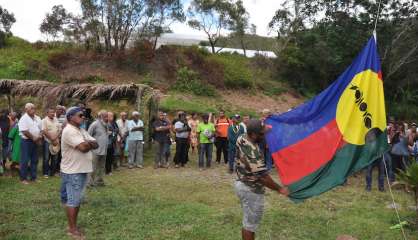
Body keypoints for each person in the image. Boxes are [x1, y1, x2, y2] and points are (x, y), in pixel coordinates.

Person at [234, 119, 289, 240]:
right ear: (253, 135)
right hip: (251, 190)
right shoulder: (253, 152)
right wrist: (280, 189)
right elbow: (263, 177)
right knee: (250, 225)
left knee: (249, 222)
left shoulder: (242, 137)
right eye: (262, 134)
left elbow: (263, 130)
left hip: (242, 183)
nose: (264, 135)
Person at [60, 106, 98, 239]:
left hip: (79, 169)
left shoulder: (80, 129)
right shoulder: (70, 131)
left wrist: (88, 142)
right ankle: (72, 229)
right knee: (73, 200)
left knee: (75, 200)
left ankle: (72, 226)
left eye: (83, 115)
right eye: (80, 115)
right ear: (71, 117)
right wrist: (88, 143)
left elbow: (95, 143)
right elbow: (83, 148)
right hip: (73, 171)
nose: (83, 117)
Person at [18, 103, 42, 184]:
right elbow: (24, 131)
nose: (33, 110)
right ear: (26, 109)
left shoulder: (37, 118)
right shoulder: (23, 118)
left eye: (34, 108)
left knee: (35, 160)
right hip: (26, 141)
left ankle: (33, 177)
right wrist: (34, 138)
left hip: (36, 141)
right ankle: (23, 178)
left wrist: (39, 137)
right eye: (31, 108)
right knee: (25, 160)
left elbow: (41, 129)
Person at [87, 110, 109, 187]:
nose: (107, 118)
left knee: (102, 167)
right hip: (95, 151)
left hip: (104, 150)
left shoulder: (106, 124)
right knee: (93, 167)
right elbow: (88, 136)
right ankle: (89, 183)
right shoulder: (94, 124)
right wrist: (91, 146)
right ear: (100, 117)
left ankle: (99, 181)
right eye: (105, 116)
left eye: (107, 116)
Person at [41, 108, 61, 178]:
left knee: (55, 158)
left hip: (56, 142)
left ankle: (52, 172)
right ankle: (45, 173)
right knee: (46, 158)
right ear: (47, 113)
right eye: (51, 112)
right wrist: (52, 138)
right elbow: (44, 131)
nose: (52, 113)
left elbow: (59, 130)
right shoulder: (44, 120)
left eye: (53, 112)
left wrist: (55, 138)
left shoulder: (56, 120)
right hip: (47, 141)